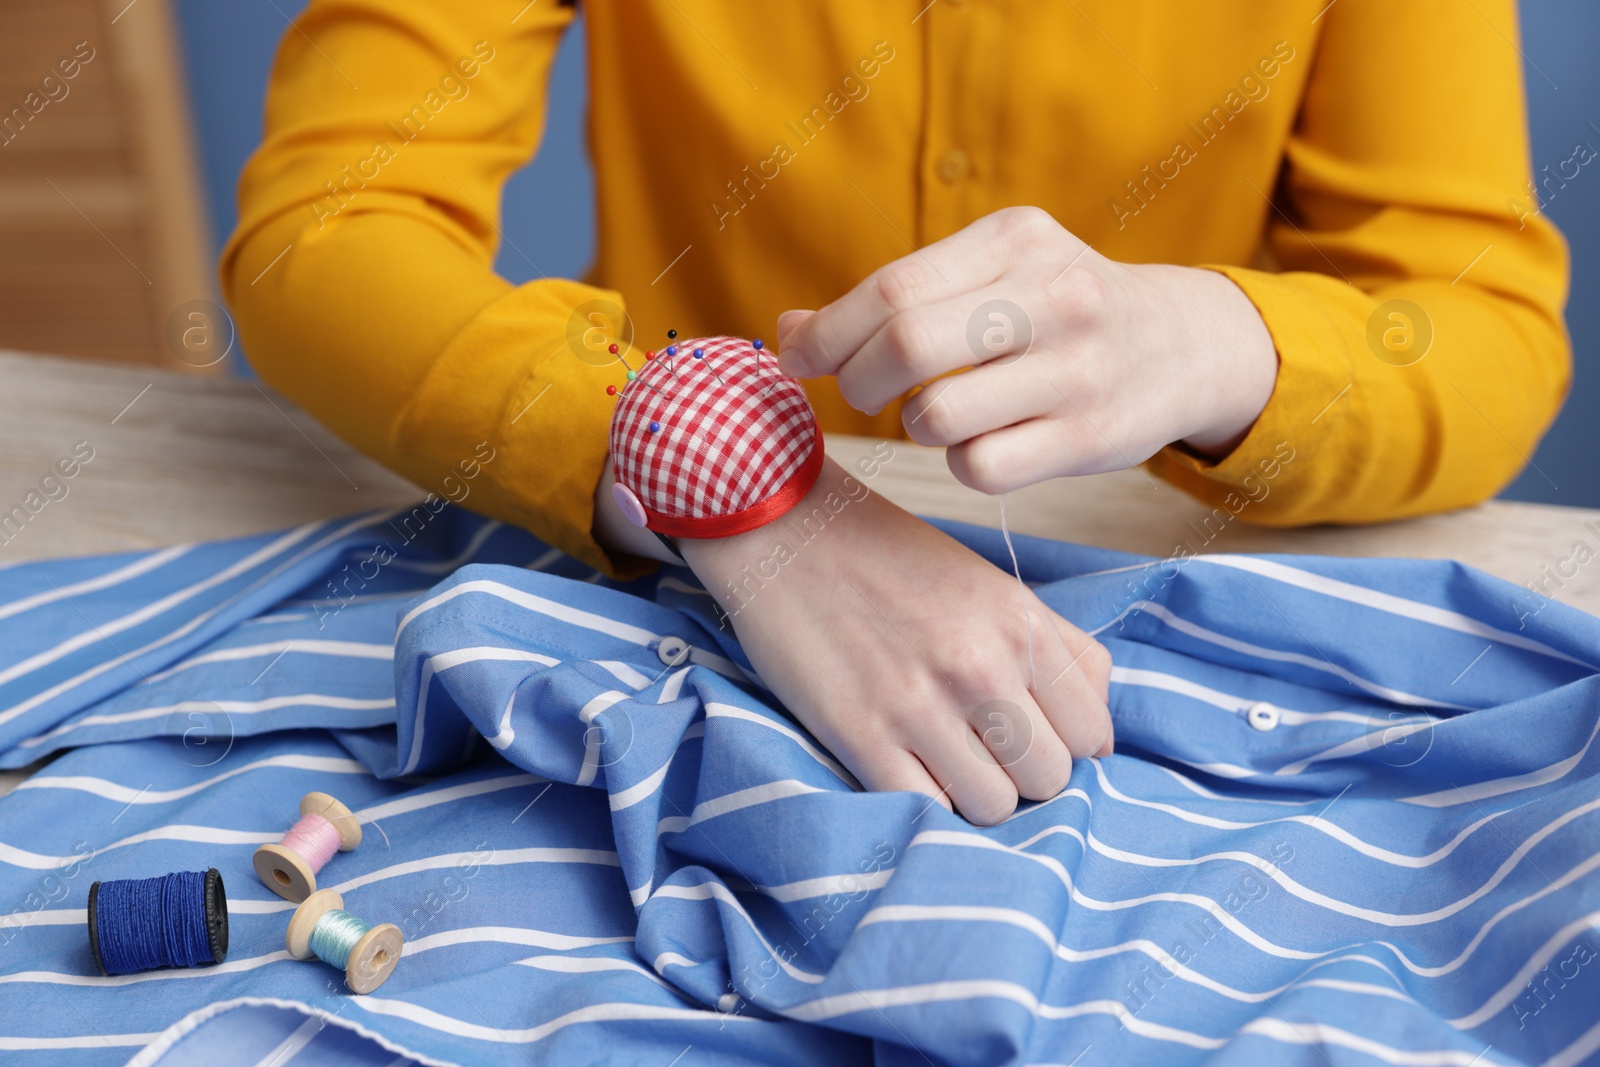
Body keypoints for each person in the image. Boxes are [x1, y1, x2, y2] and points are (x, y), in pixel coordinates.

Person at [221, 1, 1569, 824]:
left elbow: (1488, 333)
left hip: (1153, 637)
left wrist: (1218, 340)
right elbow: (326, 229)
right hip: (655, 589)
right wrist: (736, 475)